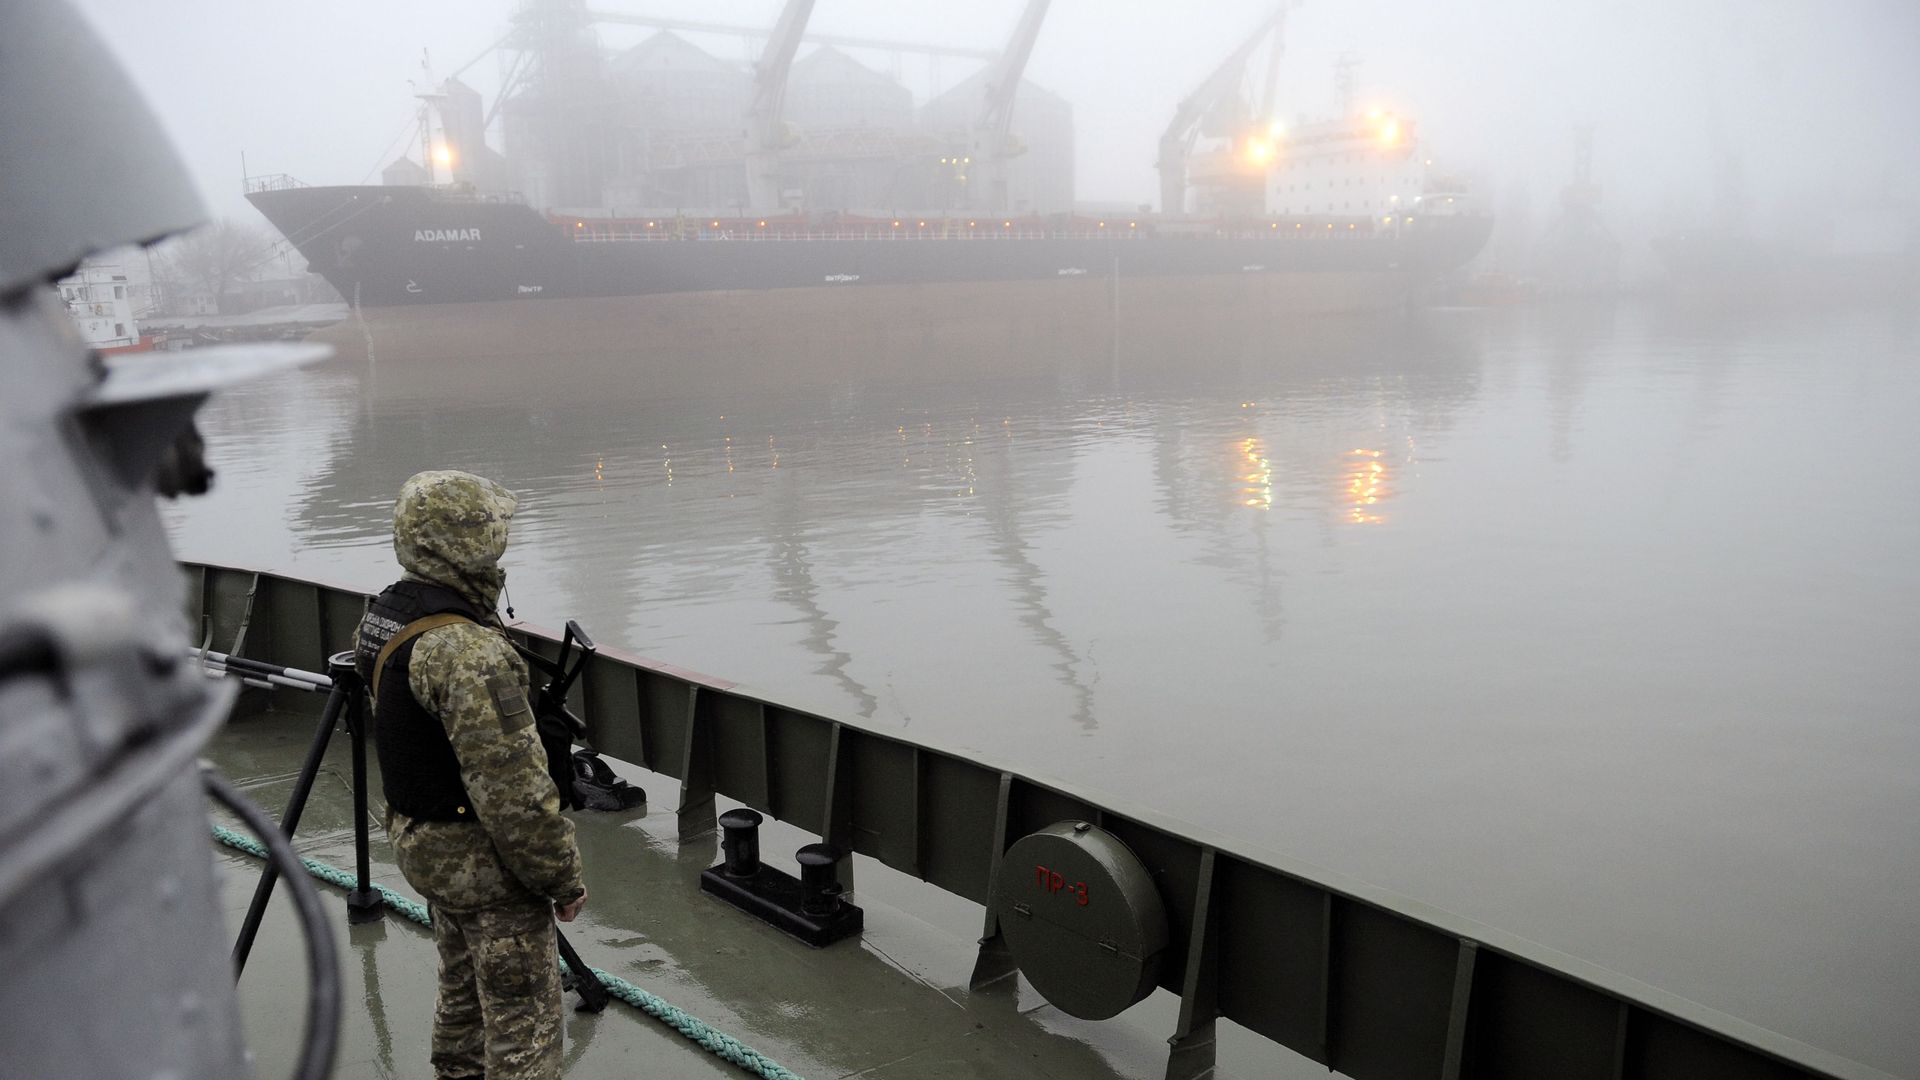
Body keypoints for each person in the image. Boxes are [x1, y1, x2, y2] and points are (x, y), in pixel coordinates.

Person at [354, 470, 585, 1080]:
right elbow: (513, 794)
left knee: (461, 990)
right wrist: (561, 878)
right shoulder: (465, 652)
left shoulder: (385, 615)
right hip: (482, 866)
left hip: (422, 843)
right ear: (465, 544)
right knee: (524, 1024)